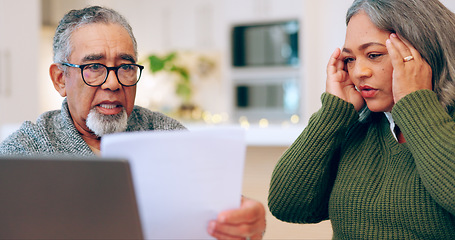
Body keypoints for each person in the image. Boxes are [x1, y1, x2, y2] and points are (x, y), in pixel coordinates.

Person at [0, 6, 265, 239]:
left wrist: (250, 224)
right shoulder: (24, 151)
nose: (113, 83)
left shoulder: (167, 135)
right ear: (60, 79)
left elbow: (223, 214)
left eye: (125, 67)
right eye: (94, 66)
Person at [268, 0, 455, 238]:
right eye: (350, 59)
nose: (358, 72)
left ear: (426, 51)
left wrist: (415, 102)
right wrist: (333, 113)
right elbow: (287, 205)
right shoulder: (357, 127)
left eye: (374, 55)